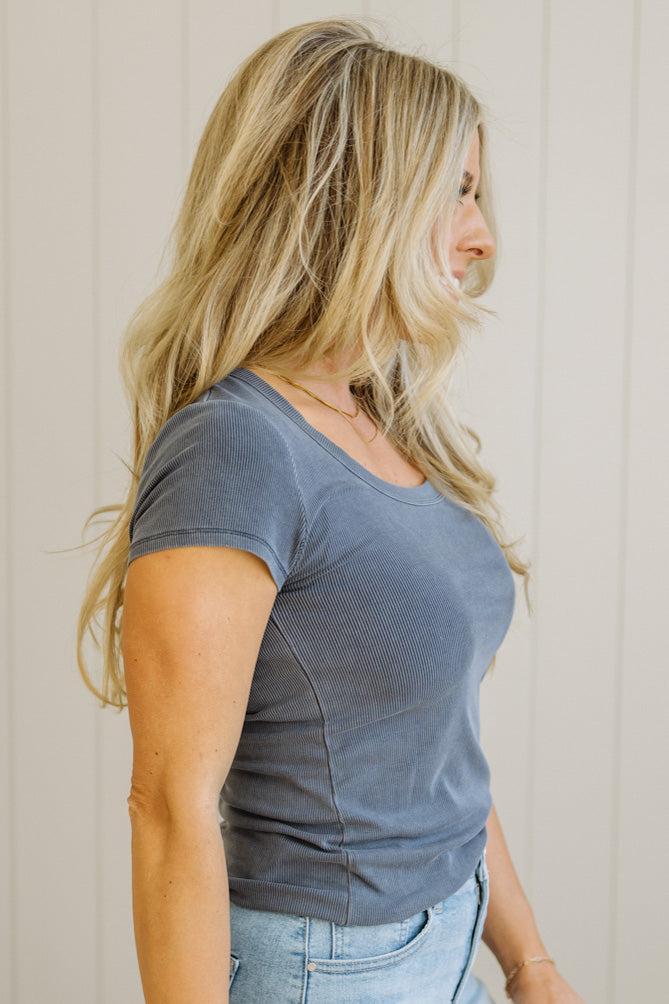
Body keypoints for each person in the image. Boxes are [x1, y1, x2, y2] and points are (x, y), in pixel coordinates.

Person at [76, 16, 584, 1004]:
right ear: (362, 203)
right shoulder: (235, 444)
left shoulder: (386, 421)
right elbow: (168, 807)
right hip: (332, 970)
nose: (483, 237)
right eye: (461, 193)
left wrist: (529, 958)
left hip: (452, 937)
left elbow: (442, 748)